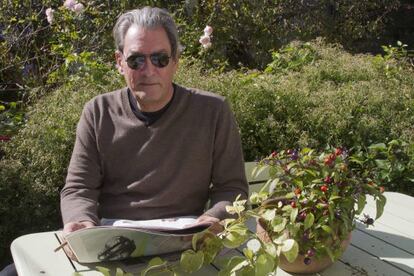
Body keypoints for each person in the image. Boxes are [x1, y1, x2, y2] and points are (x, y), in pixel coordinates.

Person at [60, 6, 248, 239]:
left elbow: (232, 188)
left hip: (188, 240)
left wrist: (213, 218)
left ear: (175, 61)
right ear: (120, 62)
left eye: (160, 59)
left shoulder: (213, 111)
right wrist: (81, 222)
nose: (148, 71)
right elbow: (79, 188)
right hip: (112, 240)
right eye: (136, 59)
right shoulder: (98, 112)